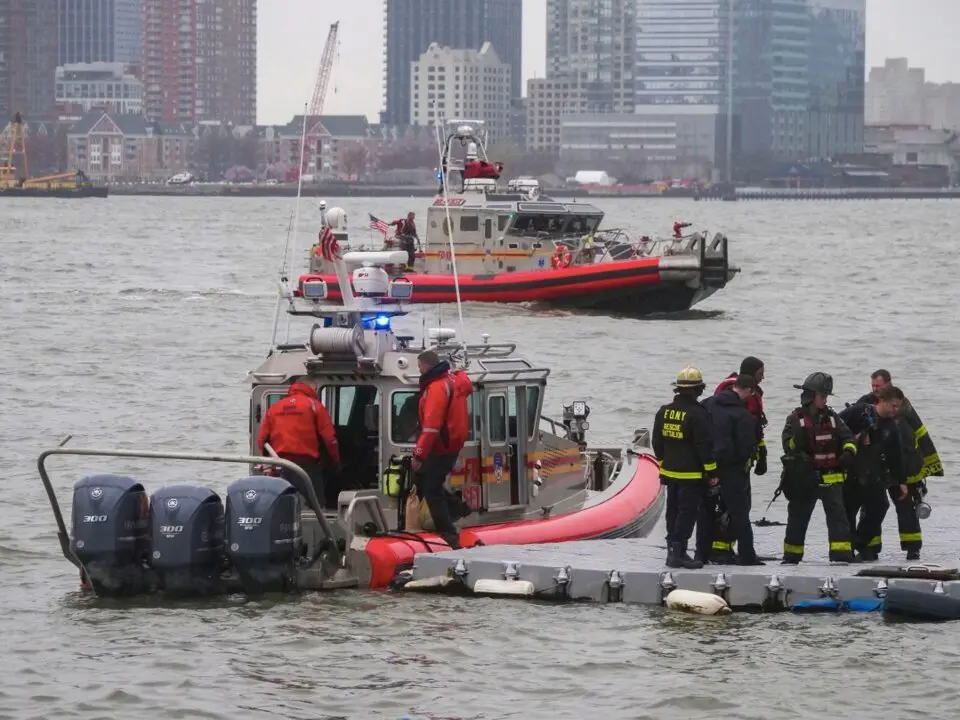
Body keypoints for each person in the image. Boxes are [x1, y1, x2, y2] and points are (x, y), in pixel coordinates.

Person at [859, 369, 942, 560]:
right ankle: (870, 547)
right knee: (871, 508)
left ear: (889, 384)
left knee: (906, 508)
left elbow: (920, 432)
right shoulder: (864, 402)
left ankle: (913, 547)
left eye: (878, 386)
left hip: (903, 465)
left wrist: (929, 464)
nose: (875, 390)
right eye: (873, 386)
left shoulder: (903, 405)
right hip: (877, 467)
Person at [780, 372, 856, 564]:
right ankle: (792, 557)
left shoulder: (833, 419)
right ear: (811, 396)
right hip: (805, 480)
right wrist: (796, 441)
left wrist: (849, 452)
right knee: (798, 518)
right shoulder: (795, 419)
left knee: (838, 519)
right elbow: (787, 446)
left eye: (826, 396)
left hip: (832, 478)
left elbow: (849, 438)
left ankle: (841, 556)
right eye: (822, 396)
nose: (825, 400)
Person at [652, 366, 718, 569]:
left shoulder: (664, 411)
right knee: (687, 513)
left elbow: (657, 441)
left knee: (672, 511)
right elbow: (704, 446)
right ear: (698, 390)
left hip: (669, 472)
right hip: (691, 474)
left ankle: (672, 550)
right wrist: (712, 472)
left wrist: (663, 463)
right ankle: (678, 552)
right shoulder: (698, 414)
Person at [839, 385, 910, 561]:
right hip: (851, 474)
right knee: (848, 512)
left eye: (898, 406)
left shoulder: (891, 427)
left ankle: (860, 543)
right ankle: (845, 551)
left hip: (874, 475)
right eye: (893, 405)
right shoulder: (858, 412)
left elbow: (896, 456)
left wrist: (901, 481)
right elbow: (835, 426)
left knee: (880, 507)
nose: (896, 410)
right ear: (882, 401)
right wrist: (853, 439)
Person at [709, 356, 768, 561]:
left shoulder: (724, 396)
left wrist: (761, 453)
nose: (763, 377)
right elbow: (747, 430)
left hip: (729, 460)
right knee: (734, 507)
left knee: (731, 506)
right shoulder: (737, 400)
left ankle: (723, 547)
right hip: (734, 462)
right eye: (761, 373)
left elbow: (756, 427)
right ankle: (730, 550)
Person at [413, 349, 471, 548]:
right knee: (423, 479)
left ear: (426, 366)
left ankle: (448, 534)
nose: (418, 369)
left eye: (419, 365)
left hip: (441, 446)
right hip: (450, 444)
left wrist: (418, 455)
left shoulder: (437, 387)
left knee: (431, 488)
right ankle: (459, 508)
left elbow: (431, 426)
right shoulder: (454, 381)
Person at [257, 381, 341, 508]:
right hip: (307, 465)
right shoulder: (314, 406)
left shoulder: (275, 407)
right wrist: (335, 462)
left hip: (282, 465)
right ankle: (318, 525)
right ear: (311, 388)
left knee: (283, 503)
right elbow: (329, 439)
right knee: (317, 504)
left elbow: (262, 440)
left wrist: (269, 463)